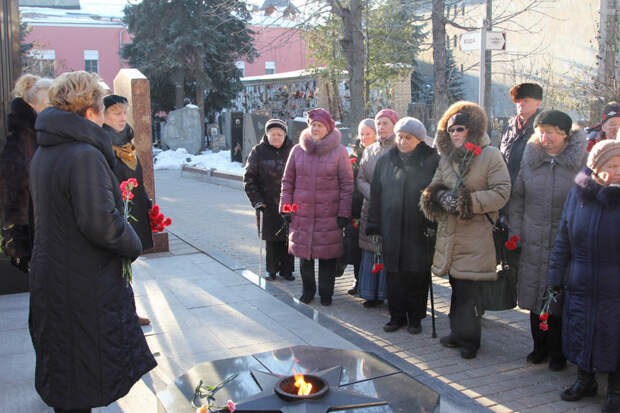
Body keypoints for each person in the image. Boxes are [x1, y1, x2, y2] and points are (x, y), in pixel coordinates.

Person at [29, 71, 156, 413]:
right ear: (88, 112)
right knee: (82, 365)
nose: (103, 117)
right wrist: (133, 243)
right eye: (101, 109)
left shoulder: (48, 149)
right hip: (80, 279)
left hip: (57, 272)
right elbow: (101, 224)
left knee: (68, 363)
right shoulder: (83, 154)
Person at [420, 101, 511, 359]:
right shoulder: (447, 158)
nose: (456, 134)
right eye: (451, 130)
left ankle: (471, 339)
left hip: (476, 234)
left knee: (468, 291)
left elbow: (502, 192)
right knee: (456, 285)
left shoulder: (490, 155)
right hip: (450, 235)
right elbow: (435, 184)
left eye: (460, 129)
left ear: (471, 130)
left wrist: (466, 202)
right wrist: (438, 196)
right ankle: (457, 333)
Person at [509, 110, 587, 371]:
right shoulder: (531, 161)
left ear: (565, 134)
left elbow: (586, 204)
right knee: (533, 294)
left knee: (558, 296)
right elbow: (518, 199)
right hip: (532, 238)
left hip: (564, 243)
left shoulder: (580, 164)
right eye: (541, 131)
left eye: (551, 132)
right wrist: (515, 232)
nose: (545, 137)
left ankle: (558, 351)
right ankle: (538, 347)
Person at [547, 139, 620, 412]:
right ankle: (584, 380)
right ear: (595, 168)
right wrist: (554, 279)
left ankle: (615, 390)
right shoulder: (577, 196)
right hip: (581, 281)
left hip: (616, 286)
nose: (617, 170)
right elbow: (563, 241)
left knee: (615, 335)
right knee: (581, 329)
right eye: (611, 165)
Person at [366, 117, 439, 333]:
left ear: (419, 139)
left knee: (417, 274)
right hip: (391, 227)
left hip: (419, 228)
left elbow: (437, 193)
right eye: (400, 137)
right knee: (394, 274)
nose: (403, 141)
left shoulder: (431, 160)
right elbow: (376, 196)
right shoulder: (386, 160)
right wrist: (374, 227)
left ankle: (415, 317)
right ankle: (396, 316)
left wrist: (432, 223)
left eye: (408, 138)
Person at [280, 108, 353, 306]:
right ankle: (308, 291)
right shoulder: (297, 150)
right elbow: (288, 181)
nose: (315, 129)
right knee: (305, 256)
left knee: (327, 257)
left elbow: (347, 185)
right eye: (312, 125)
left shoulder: (339, 152)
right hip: (302, 214)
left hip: (329, 215)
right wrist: (286, 208)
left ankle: (326, 293)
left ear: (328, 128)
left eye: (319, 125)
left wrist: (344, 212)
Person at [102, 94, 154, 326]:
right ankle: (122, 313)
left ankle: (127, 310)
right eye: (116, 113)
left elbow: (136, 178)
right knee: (116, 266)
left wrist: (147, 204)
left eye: (124, 112)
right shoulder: (102, 144)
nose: (123, 118)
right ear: (102, 114)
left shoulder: (126, 142)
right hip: (115, 213)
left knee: (125, 265)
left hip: (132, 209)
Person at [0, 75, 51, 272]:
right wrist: (17, 241)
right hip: (34, 233)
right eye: (47, 104)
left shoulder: (38, 132)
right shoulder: (23, 137)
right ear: (31, 104)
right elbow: (14, 191)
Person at [357, 108, 399, 308]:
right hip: (371, 206)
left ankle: (386, 292)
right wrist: (373, 194)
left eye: (385, 123)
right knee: (370, 248)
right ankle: (370, 293)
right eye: (378, 123)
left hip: (392, 208)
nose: (381, 127)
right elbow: (361, 178)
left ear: (394, 126)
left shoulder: (399, 149)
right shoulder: (369, 150)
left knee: (387, 250)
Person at [243, 118, 295, 281]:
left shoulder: (293, 150)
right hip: (267, 203)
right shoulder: (258, 151)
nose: (276, 138)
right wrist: (257, 200)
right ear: (267, 135)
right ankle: (271, 269)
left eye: (280, 134)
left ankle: (288, 270)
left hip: (288, 202)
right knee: (271, 239)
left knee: (288, 237)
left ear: (285, 135)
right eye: (272, 134)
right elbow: (249, 178)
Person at [345, 118, 376, 295]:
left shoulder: (380, 152)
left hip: (373, 206)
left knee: (371, 248)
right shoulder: (353, 156)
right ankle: (359, 281)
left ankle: (373, 286)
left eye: (368, 134)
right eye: (362, 134)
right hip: (356, 209)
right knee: (357, 248)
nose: (364, 137)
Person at [500, 82, 543, 186]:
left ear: (538, 103)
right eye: (518, 101)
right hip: (506, 187)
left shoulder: (543, 128)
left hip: (530, 189)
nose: (521, 104)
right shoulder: (508, 126)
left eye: (526, 100)